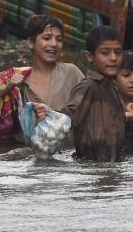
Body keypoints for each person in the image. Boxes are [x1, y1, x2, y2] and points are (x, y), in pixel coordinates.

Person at [0, 14, 84, 144]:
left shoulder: (71, 73)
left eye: (59, 39)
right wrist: (7, 88)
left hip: (67, 156)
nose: (54, 44)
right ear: (31, 43)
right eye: (47, 38)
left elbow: (90, 107)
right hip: (29, 158)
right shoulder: (17, 78)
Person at [35, 25, 125, 161]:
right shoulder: (88, 87)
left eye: (118, 52)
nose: (113, 58)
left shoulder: (114, 88)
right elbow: (67, 116)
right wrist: (51, 114)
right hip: (91, 169)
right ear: (89, 56)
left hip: (110, 165)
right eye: (105, 53)